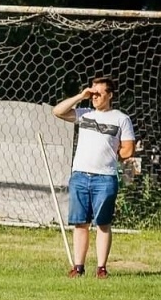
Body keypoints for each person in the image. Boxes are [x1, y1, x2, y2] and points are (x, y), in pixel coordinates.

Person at [53, 76, 136, 278]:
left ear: (110, 95)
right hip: (80, 176)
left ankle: (101, 268)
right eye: (92, 93)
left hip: (105, 177)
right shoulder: (85, 114)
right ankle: (78, 267)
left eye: (99, 93)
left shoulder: (121, 119)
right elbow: (58, 111)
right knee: (80, 223)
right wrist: (81, 96)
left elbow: (128, 148)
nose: (94, 97)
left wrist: (113, 154)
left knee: (103, 223)